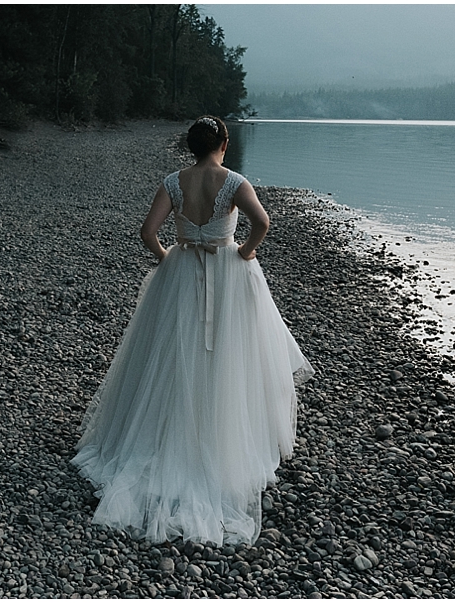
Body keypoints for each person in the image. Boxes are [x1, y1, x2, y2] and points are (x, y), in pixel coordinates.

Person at [72, 115, 314, 545]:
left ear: (191, 145)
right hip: (227, 271)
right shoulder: (235, 181)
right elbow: (262, 222)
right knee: (229, 354)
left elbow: (148, 232)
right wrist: (244, 252)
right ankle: (222, 441)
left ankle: (160, 435)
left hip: (182, 268)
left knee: (168, 354)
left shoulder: (173, 181)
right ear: (223, 142)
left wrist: (168, 257)